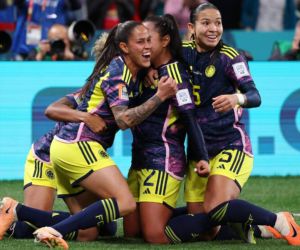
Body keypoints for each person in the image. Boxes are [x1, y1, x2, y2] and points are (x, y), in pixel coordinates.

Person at [0, 20, 177, 249]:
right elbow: (119, 119)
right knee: (124, 203)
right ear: (123, 48)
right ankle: (28, 217)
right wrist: (160, 96)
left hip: (65, 147)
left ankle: (16, 213)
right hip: (63, 149)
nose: (147, 48)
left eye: (148, 42)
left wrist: (149, 71)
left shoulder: (126, 74)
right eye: (140, 42)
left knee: (92, 231)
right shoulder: (115, 73)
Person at [162, 3, 300, 246]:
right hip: (197, 153)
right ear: (192, 28)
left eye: (218, 23)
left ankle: (279, 221)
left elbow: (255, 96)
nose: (214, 28)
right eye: (206, 23)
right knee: (206, 229)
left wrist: (237, 98)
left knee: (214, 208)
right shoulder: (180, 53)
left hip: (231, 146)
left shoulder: (230, 57)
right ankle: (254, 228)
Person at [123, 14, 209, 244]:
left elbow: (190, 117)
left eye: (148, 39)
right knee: (132, 233)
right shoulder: (143, 69)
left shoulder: (175, 75)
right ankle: (198, 217)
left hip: (163, 159)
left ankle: (232, 220)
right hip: (138, 159)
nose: (144, 44)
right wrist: (145, 70)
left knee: (154, 235)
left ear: (165, 41)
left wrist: (201, 156)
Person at [4, 90, 116, 241]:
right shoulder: (97, 88)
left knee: (107, 227)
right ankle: (12, 212)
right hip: (47, 155)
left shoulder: (130, 90)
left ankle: (16, 214)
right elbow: (52, 109)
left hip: (80, 159)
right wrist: (86, 117)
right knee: (32, 225)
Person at [10, 0, 83, 60]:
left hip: (56, 47)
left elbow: (77, 5)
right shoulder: (27, 2)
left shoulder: (62, 2)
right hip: (25, 49)